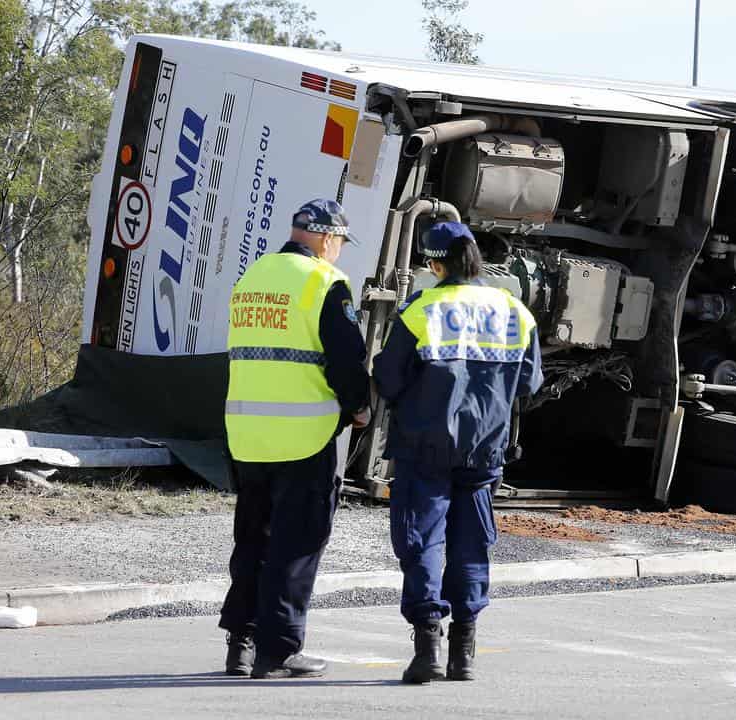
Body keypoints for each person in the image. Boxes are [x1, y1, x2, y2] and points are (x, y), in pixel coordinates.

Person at [373, 221, 543, 684]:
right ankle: (464, 651)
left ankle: (428, 645)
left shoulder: (421, 310)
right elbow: (529, 383)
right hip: (485, 452)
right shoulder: (514, 312)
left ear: (434, 263)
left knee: (423, 541)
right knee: (471, 545)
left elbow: (388, 378)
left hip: (423, 448)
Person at [220, 199, 371, 680]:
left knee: (252, 539)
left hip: (247, 433)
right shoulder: (324, 283)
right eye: (341, 243)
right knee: (297, 542)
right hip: (303, 436)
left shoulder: (254, 276)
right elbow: (346, 358)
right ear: (328, 238)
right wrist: (359, 406)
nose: (339, 252)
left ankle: (240, 643)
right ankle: (279, 649)